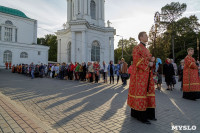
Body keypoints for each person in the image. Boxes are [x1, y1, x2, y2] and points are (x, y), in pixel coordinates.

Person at [127, 31, 156, 124]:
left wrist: (152, 60)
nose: (147, 37)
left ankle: (149, 114)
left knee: (148, 92)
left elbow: (148, 60)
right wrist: (149, 62)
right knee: (141, 93)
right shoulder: (137, 48)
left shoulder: (147, 50)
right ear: (140, 37)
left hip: (147, 74)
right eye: (145, 36)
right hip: (139, 75)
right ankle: (140, 116)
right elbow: (137, 60)